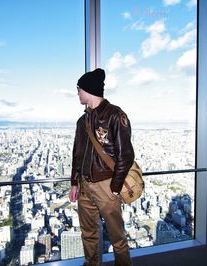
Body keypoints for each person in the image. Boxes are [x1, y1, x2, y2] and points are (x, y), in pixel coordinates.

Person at [69, 68, 134, 266]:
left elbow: (126, 156)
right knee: (88, 234)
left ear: (88, 90)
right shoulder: (83, 121)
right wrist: (74, 183)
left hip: (106, 185)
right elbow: (77, 154)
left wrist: (115, 188)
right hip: (85, 186)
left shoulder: (115, 115)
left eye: (79, 89)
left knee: (117, 237)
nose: (77, 93)